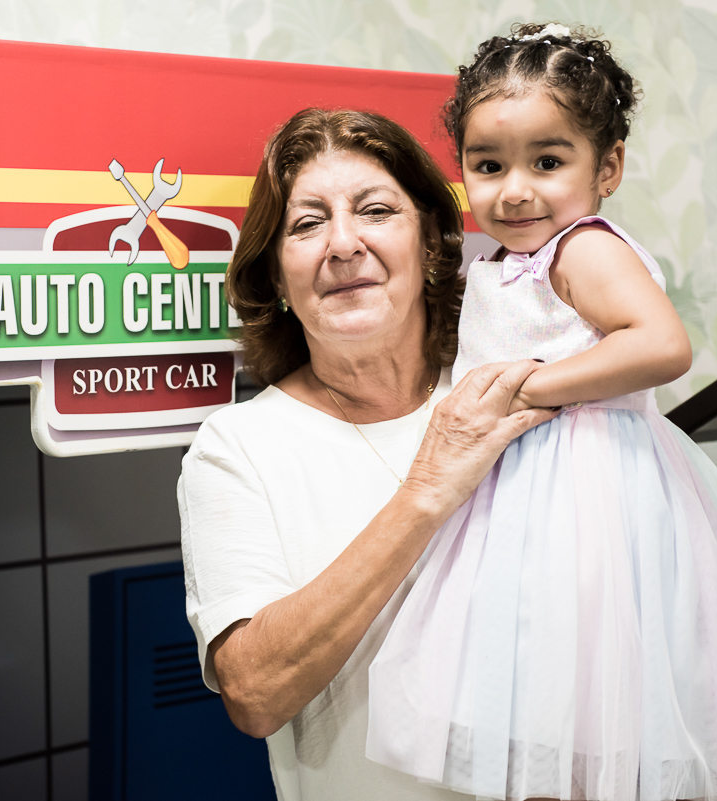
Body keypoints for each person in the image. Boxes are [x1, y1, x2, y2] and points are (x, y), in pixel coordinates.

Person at [366, 23, 717, 801]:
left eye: (548, 161)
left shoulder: (583, 250)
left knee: (594, 688)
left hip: (590, 495)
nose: (514, 188)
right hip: (521, 498)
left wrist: (532, 384)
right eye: (488, 164)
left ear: (605, 166)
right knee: (545, 699)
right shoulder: (504, 262)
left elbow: (661, 344)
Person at [178, 108, 559, 801]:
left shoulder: (514, 391)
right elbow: (255, 693)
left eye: (375, 210)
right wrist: (424, 493)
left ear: (435, 247)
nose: (343, 243)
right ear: (277, 280)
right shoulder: (237, 449)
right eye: (307, 223)